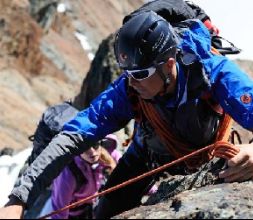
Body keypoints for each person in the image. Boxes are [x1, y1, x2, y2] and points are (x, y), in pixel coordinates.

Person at [2, 3, 253, 220]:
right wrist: (18, 199)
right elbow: (75, 134)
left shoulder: (213, 72)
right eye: (127, 74)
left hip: (207, 156)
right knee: (105, 211)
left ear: (169, 65)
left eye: (140, 74)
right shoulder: (129, 88)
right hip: (145, 155)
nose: (132, 82)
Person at [40, 134, 121, 219]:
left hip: (87, 206)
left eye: (95, 145)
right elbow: (59, 212)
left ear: (101, 143)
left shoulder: (108, 154)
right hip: (63, 210)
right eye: (85, 148)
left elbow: (123, 164)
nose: (92, 152)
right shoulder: (68, 174)